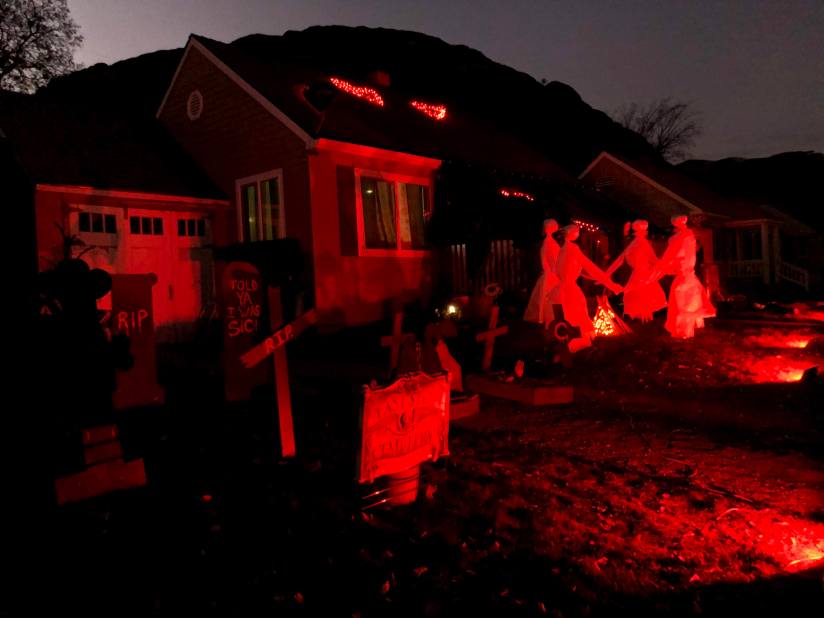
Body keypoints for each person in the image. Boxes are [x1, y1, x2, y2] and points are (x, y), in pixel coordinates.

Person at [555, 224, 622, 352]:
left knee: (566, 316)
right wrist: (610, 284)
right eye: (578, 232)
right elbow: (591, 268)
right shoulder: (573, 249)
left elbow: (565, 270)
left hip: (560, 289)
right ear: (573, 234)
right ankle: (575, 344)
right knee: (575, 315)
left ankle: (566, 343)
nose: (579, 234)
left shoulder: (562, 250)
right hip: (571, 290)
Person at [652, 215, 716, 338]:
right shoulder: (690, 236)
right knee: (688, 303)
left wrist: (656, 274)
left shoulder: (679, 238)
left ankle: (684, 333)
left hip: (684, 276)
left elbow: (667, 258)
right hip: (689, 276)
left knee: (683, 304)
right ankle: (685, 332)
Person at [605, 220, 667, 322]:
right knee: (641, 295)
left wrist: (608, 272)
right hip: (642, 273)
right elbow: (653, 259)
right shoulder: (641, 242)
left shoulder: (635, 243)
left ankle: (645, 320)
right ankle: (644, 320)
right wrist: (666, 264)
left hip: (640, 273)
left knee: (641, 295)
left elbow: (621, 259)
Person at [524, 219, 560, 327]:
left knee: (546, 296)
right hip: (552, 273)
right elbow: (552, 258)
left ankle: (547, 317)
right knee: (549, 296)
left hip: (550, 272)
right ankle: (548, 317)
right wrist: (556, 270)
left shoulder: (549, 241)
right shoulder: (549, 242)